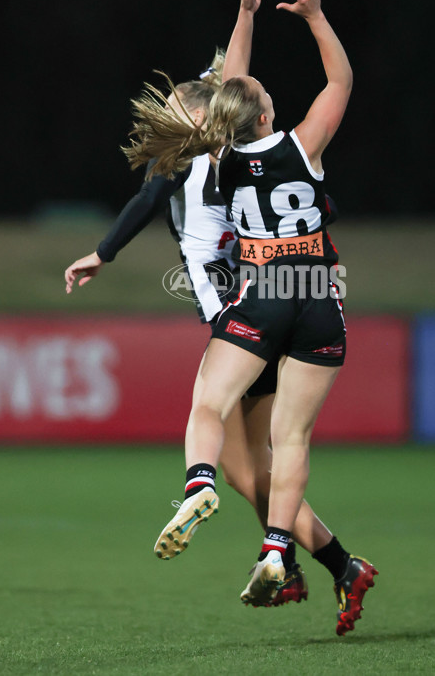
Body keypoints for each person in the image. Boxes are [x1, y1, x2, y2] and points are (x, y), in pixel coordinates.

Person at [64, 37, 374, 633]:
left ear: (203, 117)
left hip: (244, 312)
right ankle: (321, 565)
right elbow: (314, 191)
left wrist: (102, 253)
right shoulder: (264, 150)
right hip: (297, 297)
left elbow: (148, 195)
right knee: (255, 467)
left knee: (235, 457)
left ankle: (281, 540)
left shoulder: (204, 158)